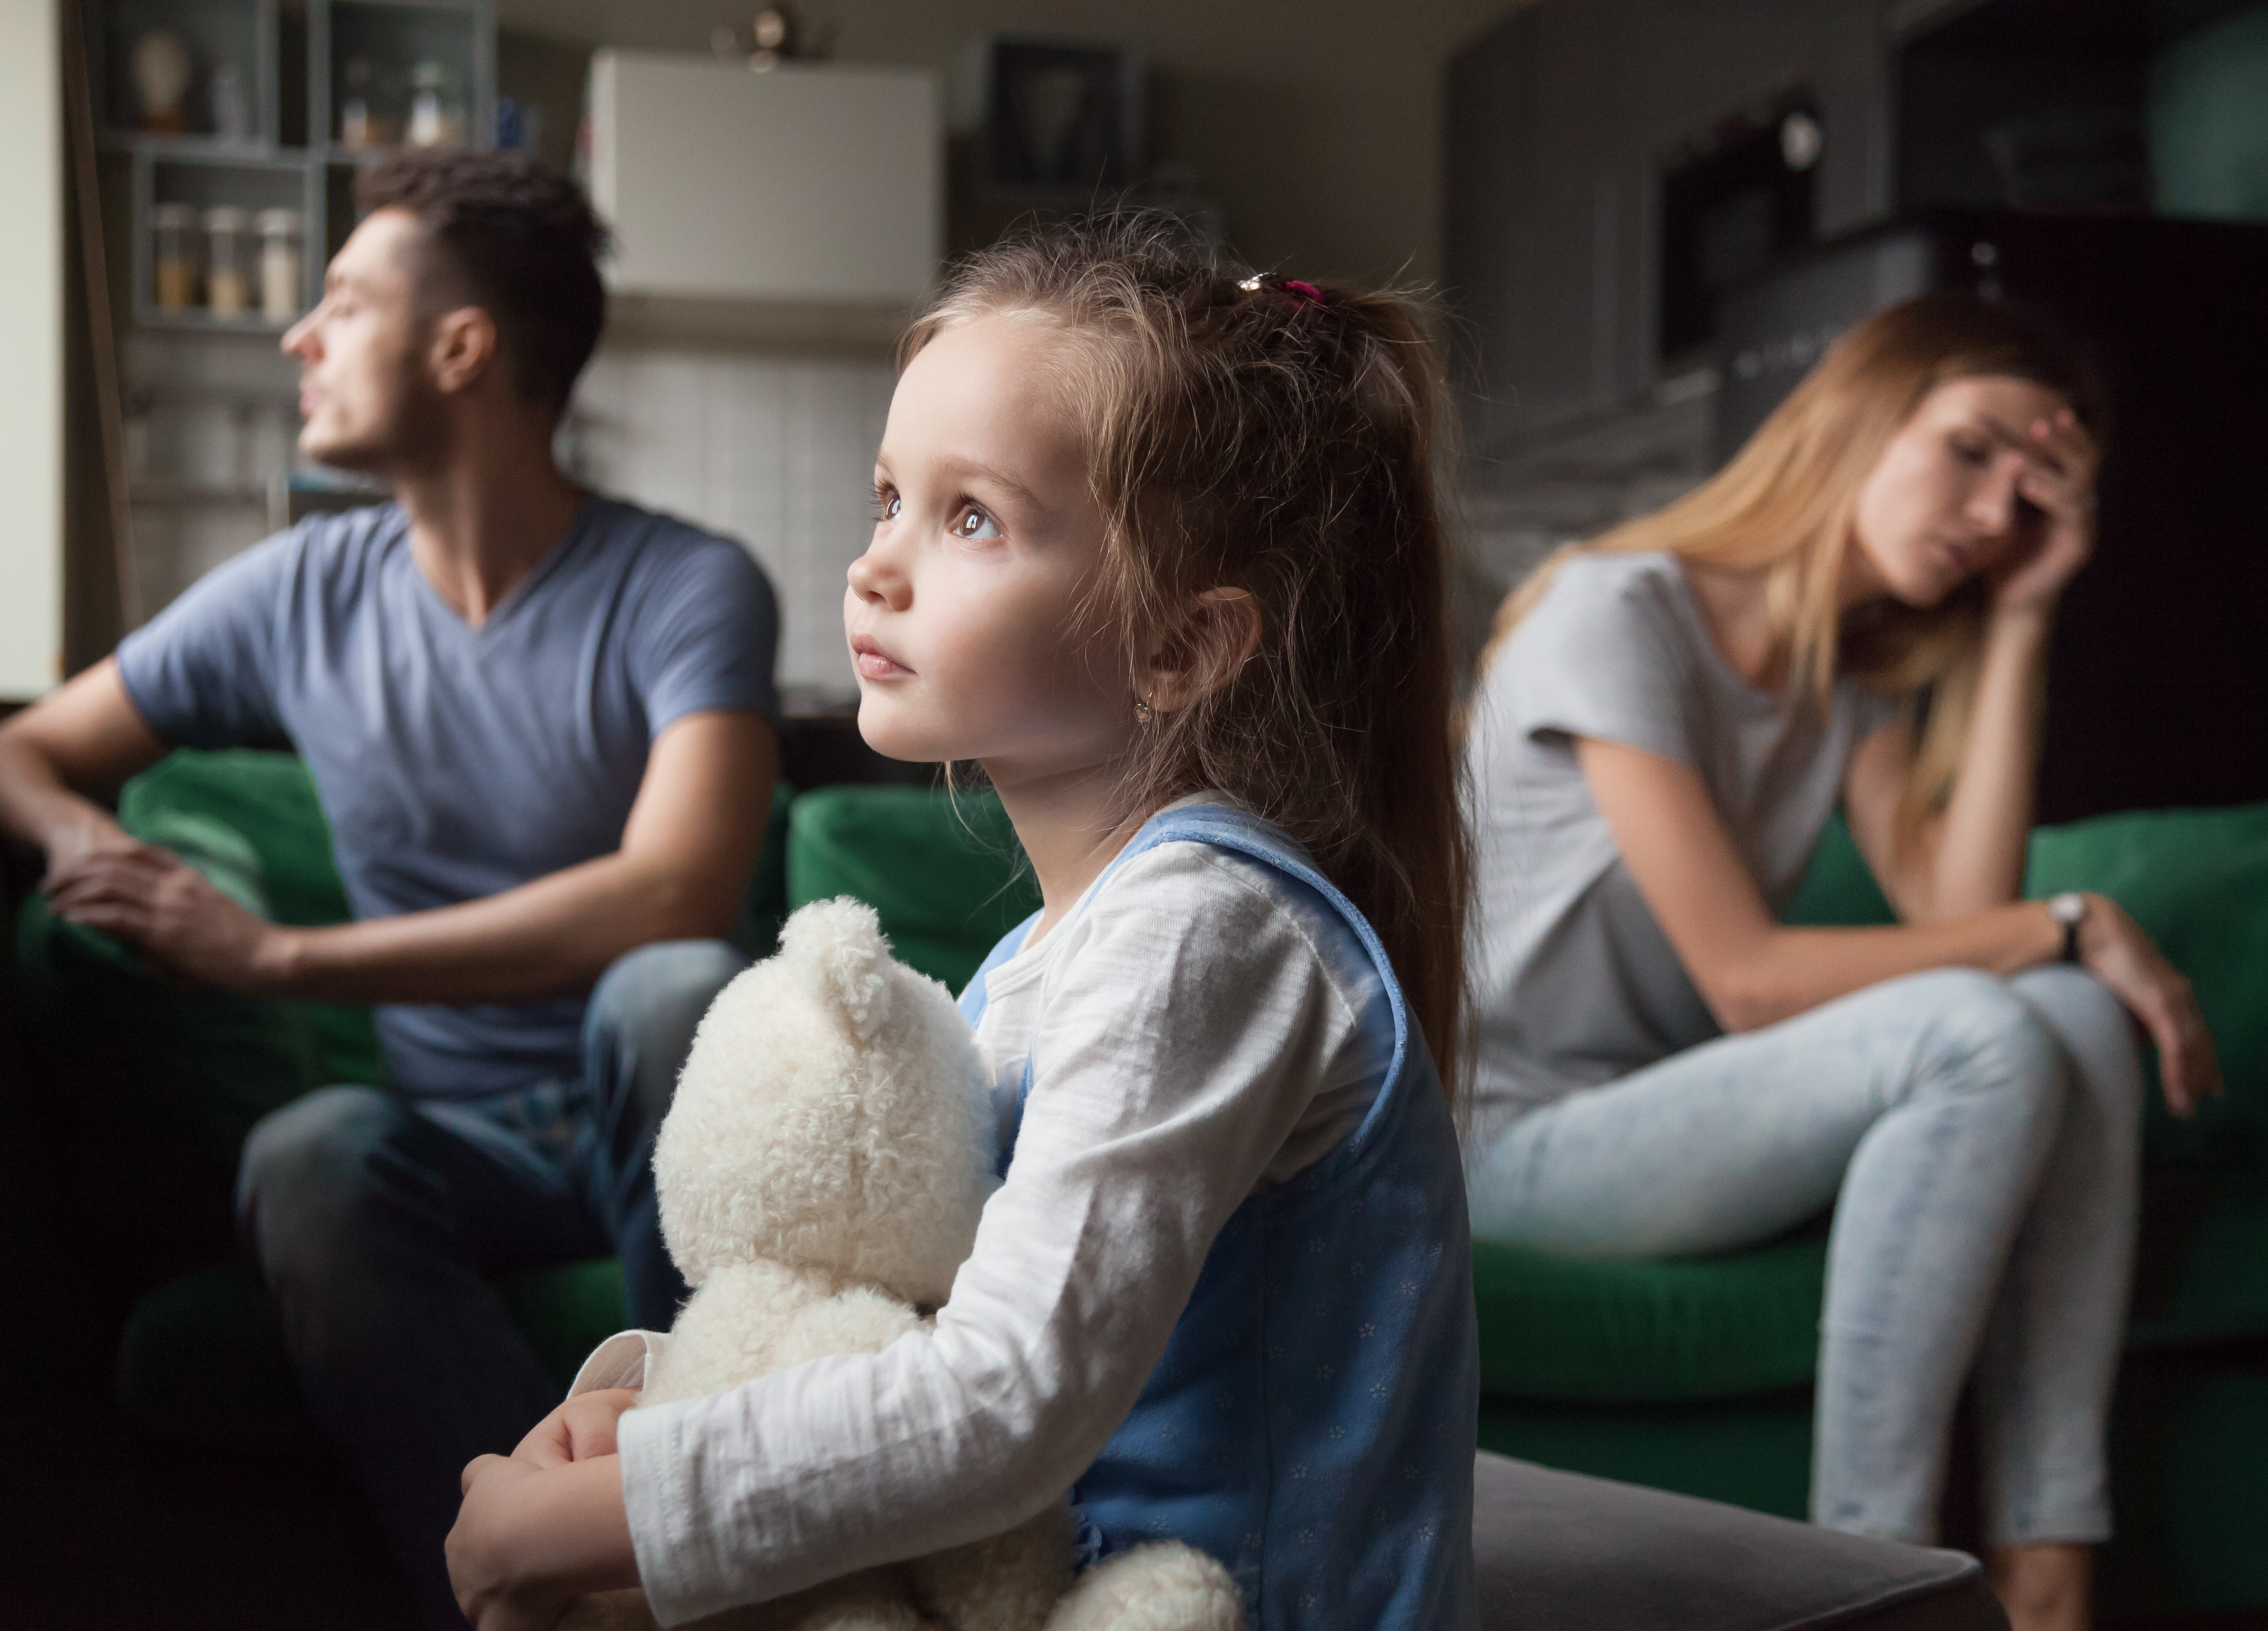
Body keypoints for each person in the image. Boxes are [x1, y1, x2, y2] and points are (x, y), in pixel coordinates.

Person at [441, 220, 1480, 1631]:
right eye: (887, 500)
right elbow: (912, 1323)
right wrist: (641, 1413)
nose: (877, 566)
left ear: (1181, 646)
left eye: (971, 516)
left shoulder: (1205, 937)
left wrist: (583, 1518)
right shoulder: (1033, 971)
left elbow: (1007, 1399)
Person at [0, 150, 781, 1628]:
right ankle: (548, 1596)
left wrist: (276, 956)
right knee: (310, 1150)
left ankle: (706, 1531)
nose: (301, 336)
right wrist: (81, 842)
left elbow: (675, 892)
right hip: (459, 1141)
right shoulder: (301, 591)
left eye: (343, 303)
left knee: (675, 995)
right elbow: (16, 752)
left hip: (645, 1120)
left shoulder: (687, 584)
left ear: (461, 349)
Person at [1462, 294, 2222, 1631]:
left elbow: (1968, 918)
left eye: (2032, 497)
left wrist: (2024, 620)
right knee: (2000, 1013)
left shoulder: (1845, 686)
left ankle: (2052, 1567)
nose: (1997, 514)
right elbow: (1745, 978)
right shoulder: (1613, 612)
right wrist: (2078, 919)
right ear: (1859, 419)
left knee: (2071, 1020)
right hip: (1500, 1140)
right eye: (1973, 450)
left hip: (1653, 1126)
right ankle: (1867, 1577)